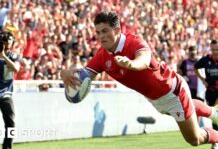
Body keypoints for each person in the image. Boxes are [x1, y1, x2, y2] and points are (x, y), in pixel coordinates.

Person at [61, 11, 218, 146]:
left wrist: (131, 64)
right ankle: (213, 112)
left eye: (105, 31)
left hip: (173, 91)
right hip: (156, 99)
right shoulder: (101, 56)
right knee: (187, 114)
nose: (101, 36)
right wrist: (65, 74)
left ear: (117, 30)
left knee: (194, 139)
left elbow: (144, 59)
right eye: (98, 32)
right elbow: (85, 76)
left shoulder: (134, 41)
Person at [194, 39, 218, 149]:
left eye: (217, 49)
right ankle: (215, 140)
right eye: (213, 49)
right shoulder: (206, 60)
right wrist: (203, 79)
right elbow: (195, 67)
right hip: (210, 92)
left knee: (217, 112)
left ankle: (215, 142)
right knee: (214, 116)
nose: (215, 51)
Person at [0, 30, 20, 149]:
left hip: (5, 93)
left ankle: (7, 147)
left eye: (9, 42)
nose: (7, 45)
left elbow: (16, 69)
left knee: (11, 123)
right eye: (4, 42)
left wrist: (4, 57)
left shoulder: (12, 55)